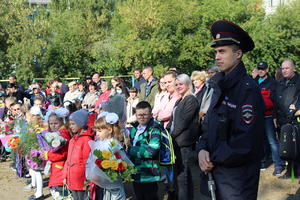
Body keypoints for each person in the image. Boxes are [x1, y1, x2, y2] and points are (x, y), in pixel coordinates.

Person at [197, 20, 265, 200]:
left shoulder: (247, 90)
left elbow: (245, 142)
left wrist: (212, 155)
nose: (217, 57)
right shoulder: (218, 84)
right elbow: (209, 126)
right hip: (217, 177)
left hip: (236, 182)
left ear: (238, 54)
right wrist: (202, 148)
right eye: (216, 52)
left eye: (222, 51)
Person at [167, 74, 200, 200]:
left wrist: (170, 136)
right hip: (175, 142)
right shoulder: (179, 100)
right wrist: (165, 134)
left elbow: (183, 122)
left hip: (184, 144)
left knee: (183, 179)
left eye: (181, 84)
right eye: (176, 84)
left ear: (187, 84)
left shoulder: (191, 99)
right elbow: (172, 120)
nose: (178, 86)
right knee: (182, 177)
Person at [254, 61, 284, 175]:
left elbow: (275, 101)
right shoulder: (254, 81)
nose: (261, 71)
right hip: (257, 117)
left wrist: (275, 116)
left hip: (268, 116)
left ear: (267, 70)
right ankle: (262, 161)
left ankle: (278, 165)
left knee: (272, 141)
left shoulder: (272, 82)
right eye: (259, 68)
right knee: (260, 140)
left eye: (263, 69)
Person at [127, 101, 161, 200]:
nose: (141, 117)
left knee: (150, 197)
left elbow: (151, 151)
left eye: (145, 114)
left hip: (148, 174)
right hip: (136, 172)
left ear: (151, 115)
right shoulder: (134, 128)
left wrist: (130, 149)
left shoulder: (154, 129)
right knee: (139, 196)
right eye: (139, 115)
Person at [273, 59, 300, 179]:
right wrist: (274, 117)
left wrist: (298, 111)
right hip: (282, 121)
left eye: (287, 68)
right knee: (286, 147)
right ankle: (289, 172)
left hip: (296, 121)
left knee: (297, 147)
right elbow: (275, 102)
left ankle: (297, 171)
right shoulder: (280, 83)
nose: (284, 70)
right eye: (282, 68)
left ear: (293, 68)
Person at [90, 112, 125, 200]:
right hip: (103, 183)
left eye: (100, 131)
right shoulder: (100, 143)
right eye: (96, 131)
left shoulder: (114, 144)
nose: (97, 133)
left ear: (109, 130)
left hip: (113, 184)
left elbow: (122, 164)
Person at [63, 109, 94, 200]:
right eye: (70, 123)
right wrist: (65, 175)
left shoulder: (86, 140)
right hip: (71, 178)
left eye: (73, 124)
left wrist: (87, 180)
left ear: (80, 123)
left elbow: (87, 162)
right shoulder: (73, 140)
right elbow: (68, 160)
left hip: (81, 180)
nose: (70, 126)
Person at [43, 111, 71, 199]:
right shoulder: (54, 134)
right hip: (56, 167)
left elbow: (62, 154)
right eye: (51, 123)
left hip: (61, 168)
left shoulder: (63, 135)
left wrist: (47, 155)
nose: (53, 125)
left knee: (60, 193)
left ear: (62, 122)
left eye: (56, 123)